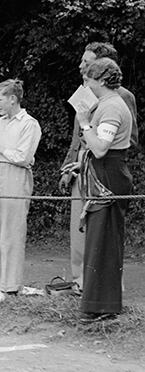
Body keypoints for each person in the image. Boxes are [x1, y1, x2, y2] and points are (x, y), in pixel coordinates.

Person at [59, 42, 138, 294]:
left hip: (103, 167)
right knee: (80, 229)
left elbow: (130, 139)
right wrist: (68, 166)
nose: (81, 66)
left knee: (103, 231)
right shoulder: (84, 91)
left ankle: (104, 288)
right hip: (80, 168)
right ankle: (81, 283)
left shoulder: (121, 97)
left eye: (88, 62)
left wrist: (96, 145)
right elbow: (77, 134)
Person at [75, 58, 133, 321]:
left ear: (100, 81)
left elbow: (99, 148)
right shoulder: (106, 104)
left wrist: (85, 123)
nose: (85, 85)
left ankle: (104, 306)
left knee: (105, 241)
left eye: (88, 80)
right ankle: (96, 304)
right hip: (102, 173)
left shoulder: (112, 107)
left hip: (110, 176)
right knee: (98, 240)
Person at [0, 79, 42, 307]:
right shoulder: (2, 122)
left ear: (12, 99)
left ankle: (11, 286)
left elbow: (24, 157)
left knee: (12, 231)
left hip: (17, 175)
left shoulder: (29, 124)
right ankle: (0, 283)